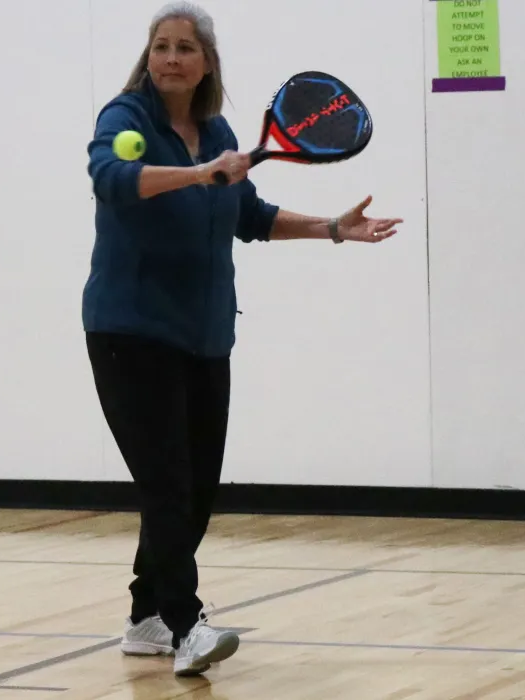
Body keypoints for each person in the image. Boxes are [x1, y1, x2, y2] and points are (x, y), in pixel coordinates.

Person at [82, 1, 401, 677]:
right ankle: (186, 625)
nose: (170, 58)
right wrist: (201, 174)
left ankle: (145, 618)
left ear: (206, 63)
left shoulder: (219, 129)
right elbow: (111, 182)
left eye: (183, 48)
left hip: (203, 337)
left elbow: (246, 214)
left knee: (194, 488)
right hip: (130, 333)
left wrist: (331, 228)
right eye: (160, 46)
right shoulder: (125, 117)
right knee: (168, 484)